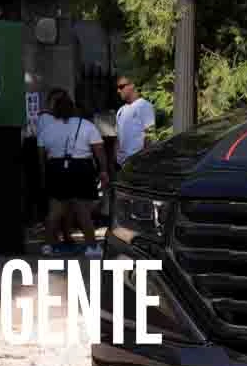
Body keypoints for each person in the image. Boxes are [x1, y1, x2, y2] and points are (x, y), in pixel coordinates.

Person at [34, 89, 108, 258]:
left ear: (55, 110)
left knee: (54, 211)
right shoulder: (87, 126)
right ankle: (92, 247)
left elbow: (41, 156)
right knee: (82, 210)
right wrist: (103, 170)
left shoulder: (47, 129)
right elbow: (99, 150)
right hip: (81, 168)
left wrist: (44, 175)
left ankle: (48, 246)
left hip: (55, 168)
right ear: (74, 109)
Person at [114, 73, 156, 165]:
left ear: (132, 85)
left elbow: (150, 135)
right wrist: (116, 159)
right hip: (122, 163)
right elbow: (118, 138)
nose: (118, 91)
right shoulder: (121, 110)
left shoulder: (144, 105)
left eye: (121, 87)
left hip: (138, 162)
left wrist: (145, 161)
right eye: (118, 88)